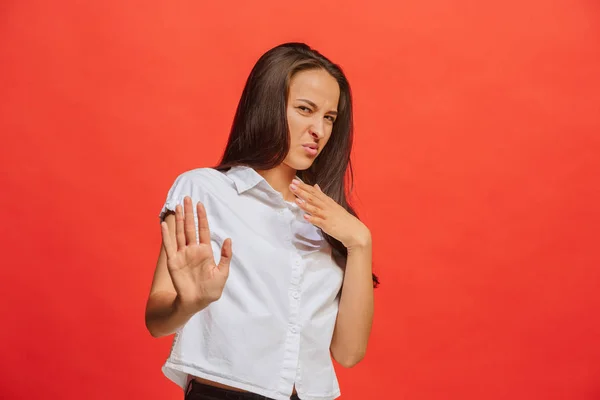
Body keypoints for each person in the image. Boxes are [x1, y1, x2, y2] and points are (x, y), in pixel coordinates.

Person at [145, 42, 378, 400]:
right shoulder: (203, 190)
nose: (319, 129)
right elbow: (157, 321)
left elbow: (348, 354)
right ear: (267, 105)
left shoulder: (333, 219)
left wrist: (360, 243)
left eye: (329, 117)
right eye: (305, 109)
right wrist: (188, 304)